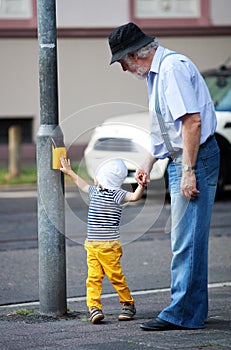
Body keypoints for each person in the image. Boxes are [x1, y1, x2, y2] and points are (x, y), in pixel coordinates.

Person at [108, 22, 220, 331]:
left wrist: (187, 170)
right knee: (187, 239)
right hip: (182, 157)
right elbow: (166, 126)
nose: (123, 69)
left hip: (194, 158)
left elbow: (192, 122)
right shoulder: (157, 74)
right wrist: (149, 159)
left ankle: (182, 313)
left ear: (134, 55)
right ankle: (192, 309)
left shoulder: (171, 70)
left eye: (121, 62)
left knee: (186, 241)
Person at [60, 157, 145, 324]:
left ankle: (128, 304)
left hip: (109, 247)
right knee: (93, 277)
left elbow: (134, 197)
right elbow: (82, 185)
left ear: (101, 178)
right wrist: (69, 171)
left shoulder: (117, 195)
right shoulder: (95, 191)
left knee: (116, 277)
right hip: (91, 245)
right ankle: (94, 308)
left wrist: (141, 186)